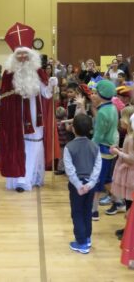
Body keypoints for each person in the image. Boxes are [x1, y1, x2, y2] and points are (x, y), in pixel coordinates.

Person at [0, 22, 60, 192]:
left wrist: (51, 85)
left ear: (31, 55)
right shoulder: (8, 73)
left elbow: (47, 94)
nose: (23, 58)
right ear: (14, 56)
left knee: (34, 145)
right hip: (16, 118)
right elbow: (5, 98)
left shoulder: (38, 71)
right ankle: (20, 180)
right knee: (20, 146)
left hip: (34, 114)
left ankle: (33, 178)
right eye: (20, 55)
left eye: (26, 54)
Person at [64, 114, 102, 254]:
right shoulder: (95, 146)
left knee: (77, 213)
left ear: (73, 129)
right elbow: (98, 167)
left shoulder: (69, 147)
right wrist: (90, 184)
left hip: (76, 187)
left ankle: (81, 243)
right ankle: (87, 237)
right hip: (90, 186)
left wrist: (79, 185)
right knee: (87, 212)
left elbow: (70, 169)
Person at [91, 80, 118, 221]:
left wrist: (89, 147)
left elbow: (98, 135)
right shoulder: (113, 108)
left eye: (96, 92)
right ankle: (118, 201)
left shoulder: (102, 112)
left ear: (101, 94)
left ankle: (94, 211)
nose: (94, 94)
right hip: (112, 148)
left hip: (102, 150)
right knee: (107, 179)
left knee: (97, 180)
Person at [109, 107, 134, 239]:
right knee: (128, 202)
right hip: (127, 172)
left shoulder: (132, 138)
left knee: (130, 203)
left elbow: (132, 159)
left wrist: (118, 152)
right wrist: (119, 149)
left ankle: (130, 232)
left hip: (131, 174)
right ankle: (128, 229)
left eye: (122, 117)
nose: (120, 120)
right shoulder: (129, 136)